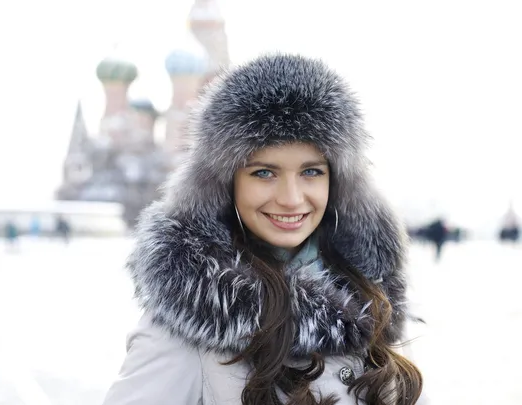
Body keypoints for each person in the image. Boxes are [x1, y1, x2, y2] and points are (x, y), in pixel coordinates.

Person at [103, 54, 423, 405]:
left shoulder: (368, 295)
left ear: (339, 182)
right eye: (264, 173)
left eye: (311, 172)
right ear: (226, 184)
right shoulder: (191, 322)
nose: (291, 198)